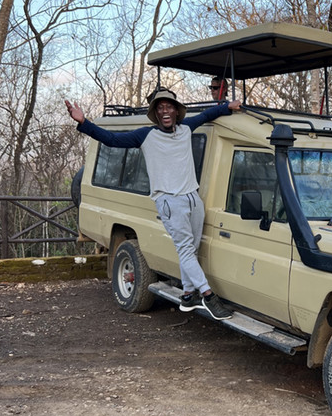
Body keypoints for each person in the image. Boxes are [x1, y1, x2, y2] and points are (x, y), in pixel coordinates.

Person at [65, 89, 241, 319]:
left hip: (192, 199)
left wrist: (228, 106)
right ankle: (208, 297)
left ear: (176, 111)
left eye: (169, 107)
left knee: (191, 249)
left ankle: (188, 295)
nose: (165, 111)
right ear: (156, 114)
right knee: (186, 249)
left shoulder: (187, 127)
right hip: (169, 201)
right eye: (160, 108)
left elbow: (208, 115)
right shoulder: (145, 135)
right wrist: (84, 122)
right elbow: (112, 140)